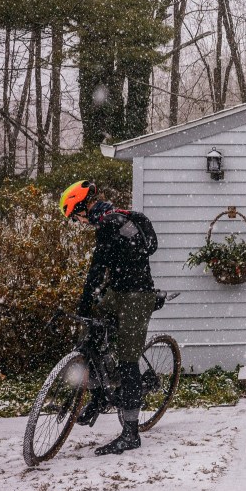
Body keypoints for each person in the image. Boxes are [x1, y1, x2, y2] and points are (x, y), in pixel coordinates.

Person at [59, 180, 158, 456]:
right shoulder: (112, 220)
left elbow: (97, 268)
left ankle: (130, 433)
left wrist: (84, 302)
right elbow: (113, 264)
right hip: (118, 292)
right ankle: (99, 396)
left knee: (128, 362)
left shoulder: (109, 223)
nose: (78, 222)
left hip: (137, 296)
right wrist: (90, 305)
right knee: (92, 333)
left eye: (75, 216)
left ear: (83, 207)